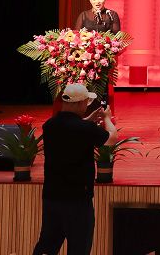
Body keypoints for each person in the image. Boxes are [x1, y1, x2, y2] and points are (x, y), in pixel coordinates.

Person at [32, 83, 118, 255]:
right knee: (79, 247)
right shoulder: (85, 129)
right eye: (86, 103)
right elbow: (111, 139)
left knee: (47, 245)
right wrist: (107, 118)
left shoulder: (50, 126)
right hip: (77, 200)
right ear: (80, 104)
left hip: (52, 197)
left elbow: (70, 127)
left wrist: (87, 121)